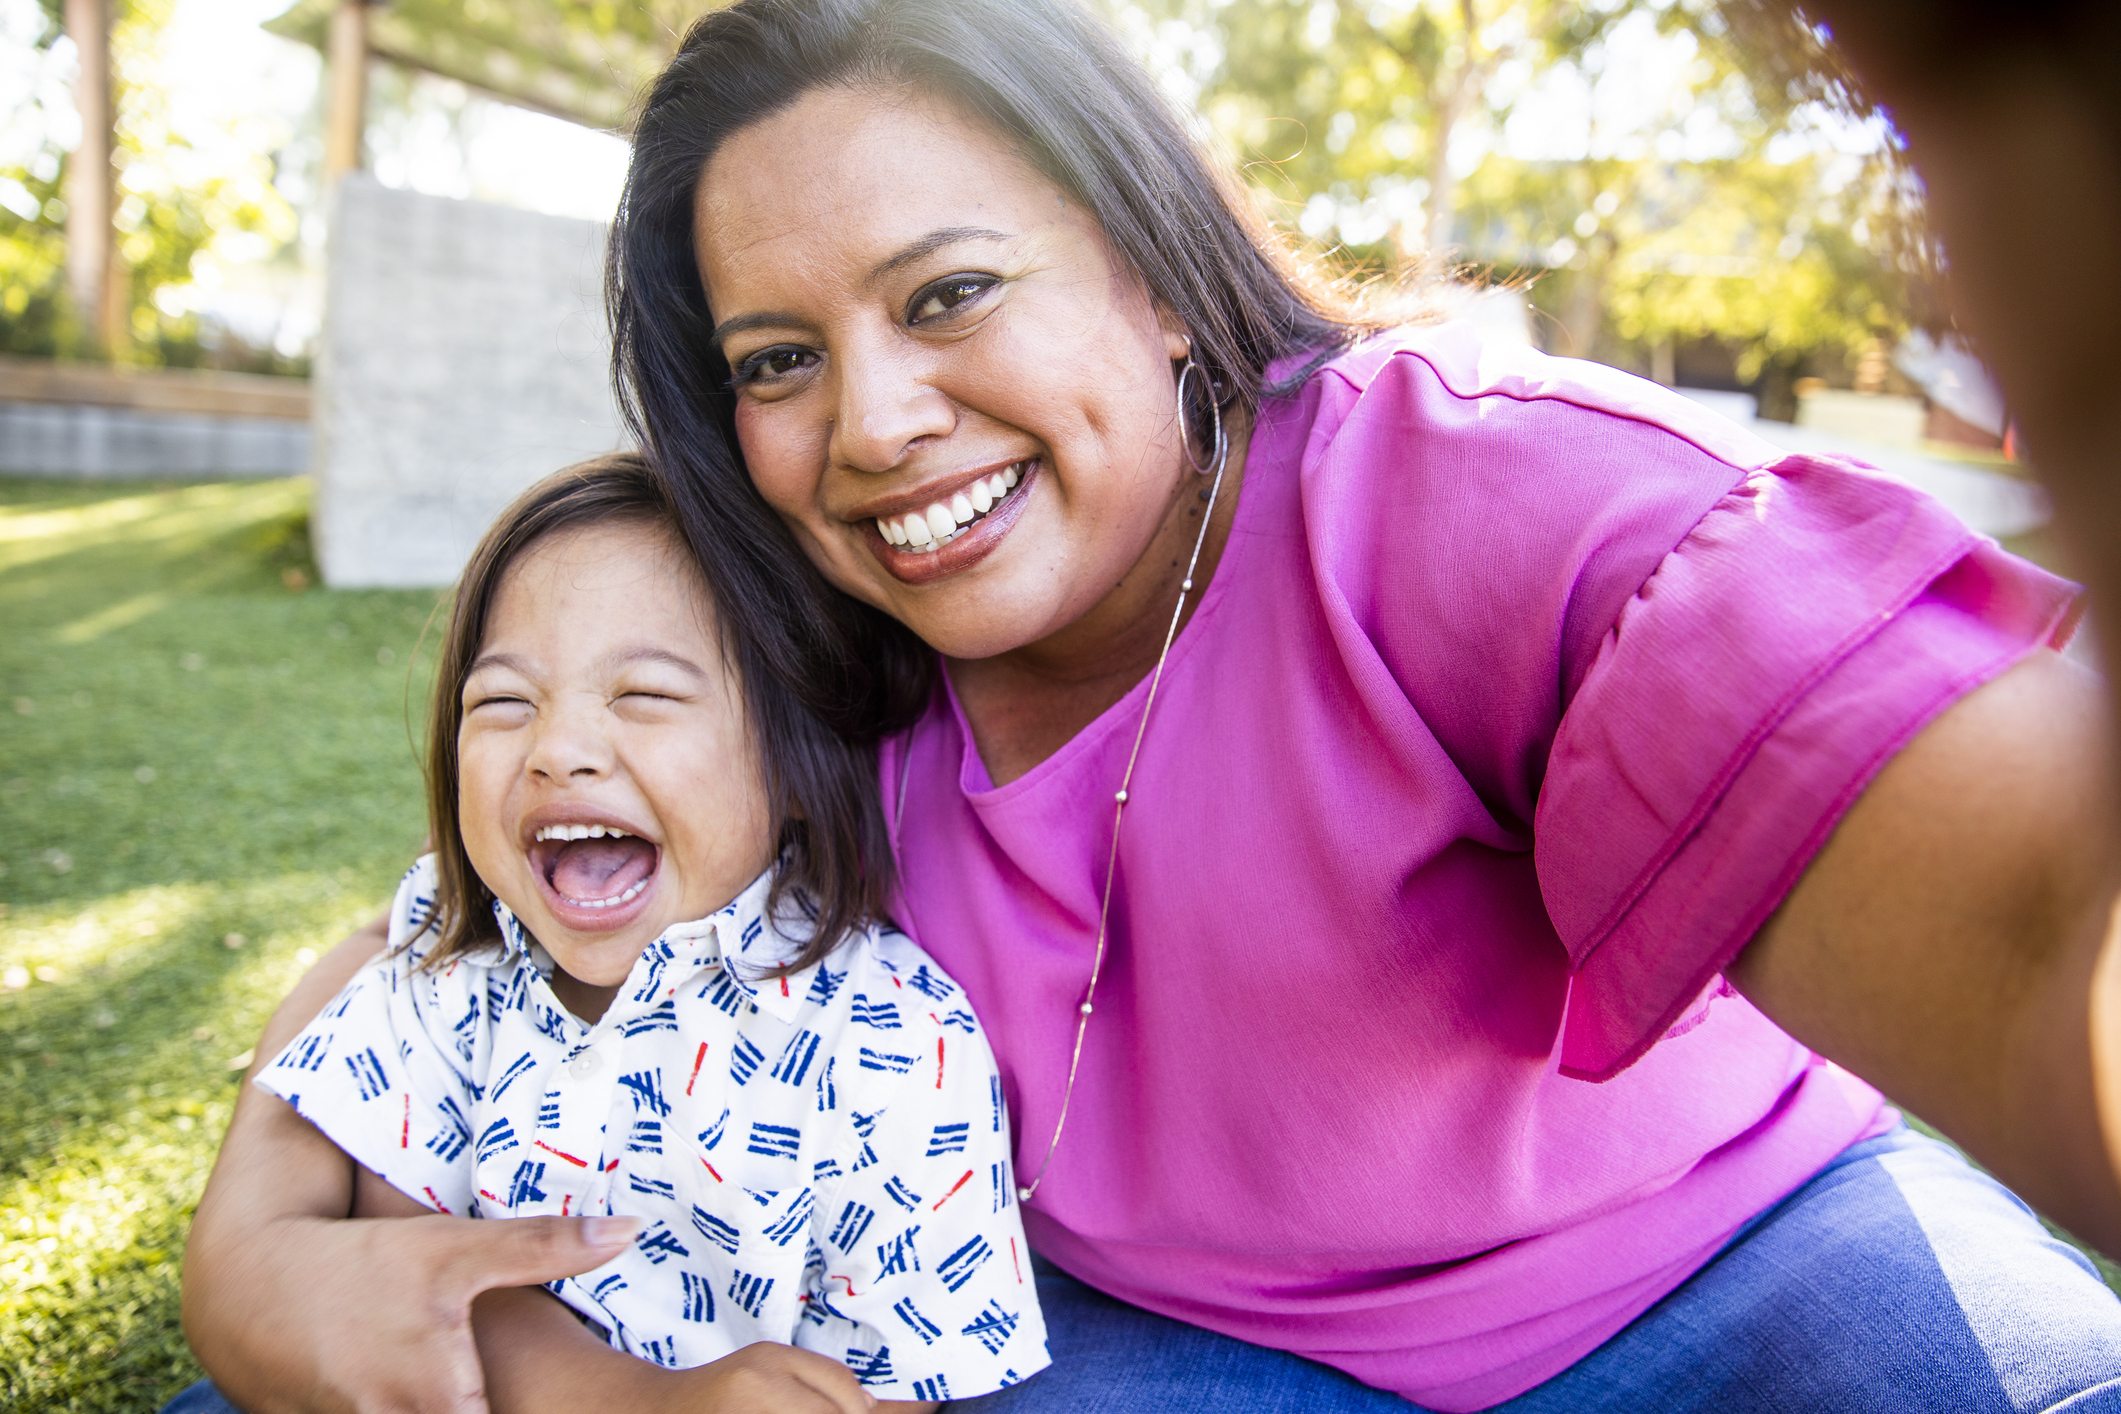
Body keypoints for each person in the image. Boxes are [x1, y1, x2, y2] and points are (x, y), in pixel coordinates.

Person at [175, 0, 2121, 1410]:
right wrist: (257, 1243)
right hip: (1163, 1347)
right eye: (779, 358)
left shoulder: (1473, 503)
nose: (870, 423)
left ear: (1160, 273)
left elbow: (2049, 956)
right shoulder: (806, 644)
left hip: (1758, 1263)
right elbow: (462, 922)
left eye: (946, 295)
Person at [184, 454, 1044, 1411]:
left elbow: (899, 1379)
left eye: (645, 694)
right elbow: (405, 1266)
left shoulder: (896, 1044)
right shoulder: (440, 957)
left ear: (799, 763)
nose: (557, 752)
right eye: (503, 703)